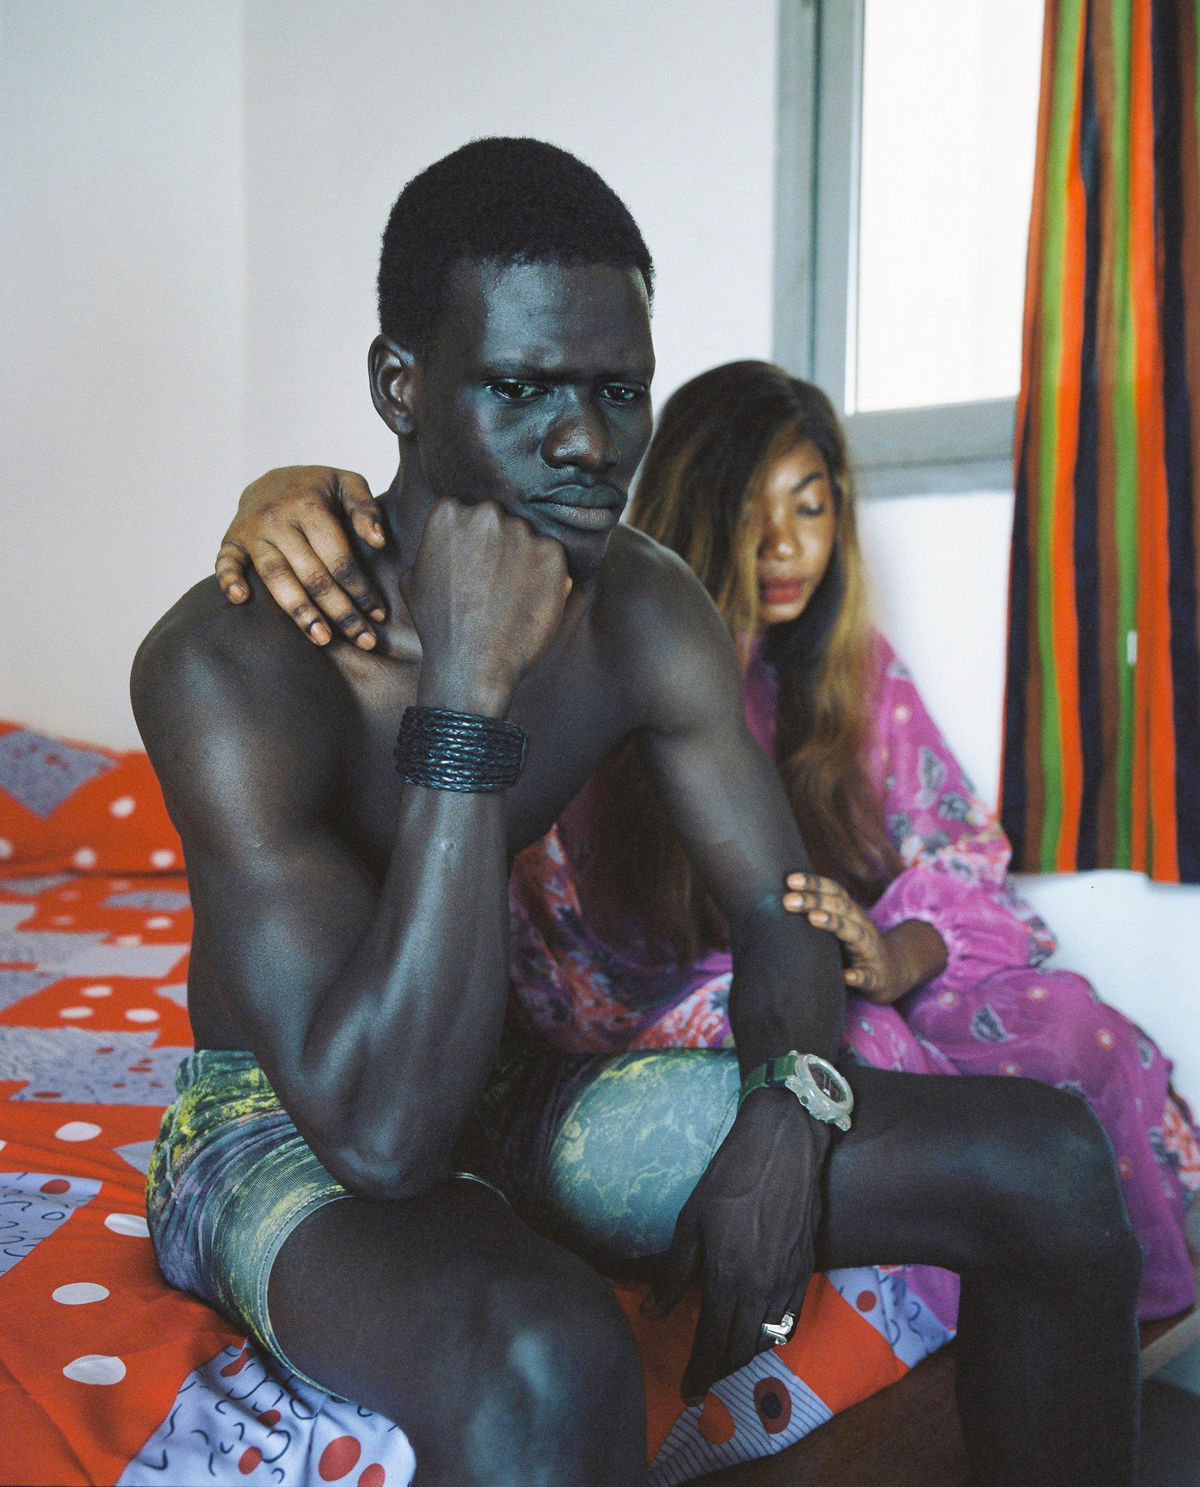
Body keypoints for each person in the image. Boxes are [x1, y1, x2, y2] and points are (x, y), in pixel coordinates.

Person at [134, 138, 1142, 1487]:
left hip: (498, 1078)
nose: (587, 441)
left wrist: (789, 1107)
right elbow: (379, 1137)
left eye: (620, 389)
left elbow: (779, 910)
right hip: (285, 1116)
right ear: (401, 385)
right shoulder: (229, 661)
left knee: (1050, 1161)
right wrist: (469, 695)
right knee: (554, 1355)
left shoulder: (644, 603)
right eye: (523, 387)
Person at [220, 361, 1200, 1325]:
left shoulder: (853, 670)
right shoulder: (610, 642)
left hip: (827, 971)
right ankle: (960, 1286)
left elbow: (959, 850)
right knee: (865, 1055)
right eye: (750, 508)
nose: (785, 544)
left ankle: (1099, 1307)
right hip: (653, 1003)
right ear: (689, 503)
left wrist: (893, 948)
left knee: (1069, 1019)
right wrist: (285, 496)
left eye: (812, 507)